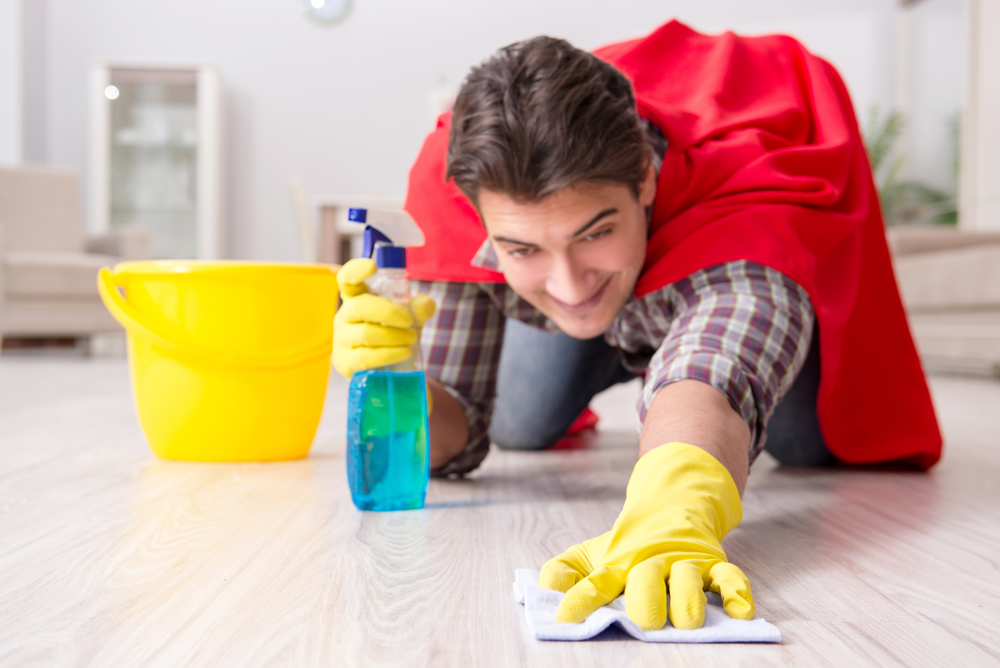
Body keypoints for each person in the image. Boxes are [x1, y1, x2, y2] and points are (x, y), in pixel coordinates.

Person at [332, 20, 942, 632]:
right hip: (614, 296)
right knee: (520, 421)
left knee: (805, 444)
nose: (569, 287)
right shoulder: (456, 191)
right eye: (521, 250)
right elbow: (448, 428)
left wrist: (674, 503)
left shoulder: (746, 193)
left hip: (711, 265)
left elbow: (713, 363)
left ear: (645, 179)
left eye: (596, 231)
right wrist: (393, 383)